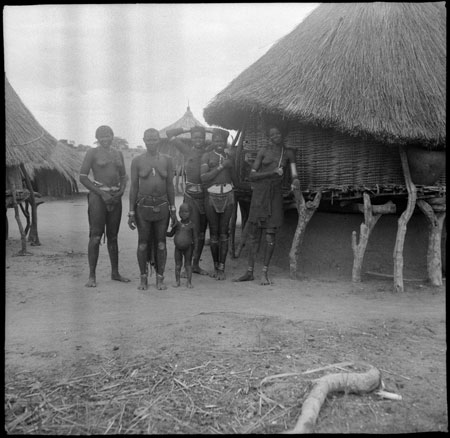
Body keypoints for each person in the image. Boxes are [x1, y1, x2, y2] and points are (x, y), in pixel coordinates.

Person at [234, 124, 300, 285]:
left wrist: (296, 182)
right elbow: (252, 175)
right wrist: (272, 173)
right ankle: (249, 272)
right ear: (268, 137)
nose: (275, 136)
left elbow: (294, 174)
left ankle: (264, 273)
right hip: (259, 195)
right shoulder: (263, 152)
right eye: (272, 134)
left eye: (278, 133)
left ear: (282, 135)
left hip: (275, 196)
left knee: (270, 235)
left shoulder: (288, 154)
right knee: (254, 234)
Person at [79, 125, 130, 287]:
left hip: (115, 197)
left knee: (113, 237)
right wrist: (102, 193)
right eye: (101, 137)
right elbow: (83, 177)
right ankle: (92, 276)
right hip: (98, 197)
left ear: (112, 136)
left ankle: (115, 273)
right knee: (95, 236)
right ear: (97, 138)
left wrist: (121, 191)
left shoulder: (118, 153)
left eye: (108, 136)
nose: (105, 139)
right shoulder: (92, 153)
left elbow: (123, 176)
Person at [128, 128, 177, 291]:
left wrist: (173, 209)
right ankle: (143, 278)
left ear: (159, 140)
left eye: (154, 139)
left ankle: (160, 278)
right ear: (143, 140)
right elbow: (134, 187)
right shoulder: (137, 161)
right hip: (143, 206)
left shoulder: (167, 160)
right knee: (142, 244)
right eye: (148, 139)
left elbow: (170, 185)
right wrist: (131, 211)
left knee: (161, 244)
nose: (151, 142)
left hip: (163, 206)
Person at [166, 126, 213, 276]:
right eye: (195, 137)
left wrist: (208, 130)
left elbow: (222, 138)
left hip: (205, 196)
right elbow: (169, 134)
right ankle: (186, 265)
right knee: (189, 231)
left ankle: (196, 265)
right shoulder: (187, 150)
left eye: (201, 137)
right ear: (191, 138)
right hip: (191, 198)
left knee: (200, 233)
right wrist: (184, 129)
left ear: (205, 139)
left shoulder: (208, 151)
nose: (198, 140)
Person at [200, 128, 237, 280]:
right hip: (211, 196)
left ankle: (222, 267)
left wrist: (231, 163)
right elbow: (204, 177)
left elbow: (235, 178)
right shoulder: (207, 156)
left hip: (228, 195)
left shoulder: (229, 156)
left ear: (225, 142)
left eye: (221, 140)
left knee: (224, 233)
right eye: (216, 140)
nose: (219, 143)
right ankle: (216, 266)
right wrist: (222, 166)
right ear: (213, 142)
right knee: (214, 233)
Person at [166, 203, 198, 288]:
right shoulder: (177, 224)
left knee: (188, 265)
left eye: (186, 211)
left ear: (190, 213)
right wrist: (162, 232)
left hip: (189, 248)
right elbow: (170, 234)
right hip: (178, 248)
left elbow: (195, 239)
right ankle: (177, 281)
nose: (183, 213)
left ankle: (189, 282)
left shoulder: (192, 225)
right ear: (178, 213)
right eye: (181, 211)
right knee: (177, 265)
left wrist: (195, 250)